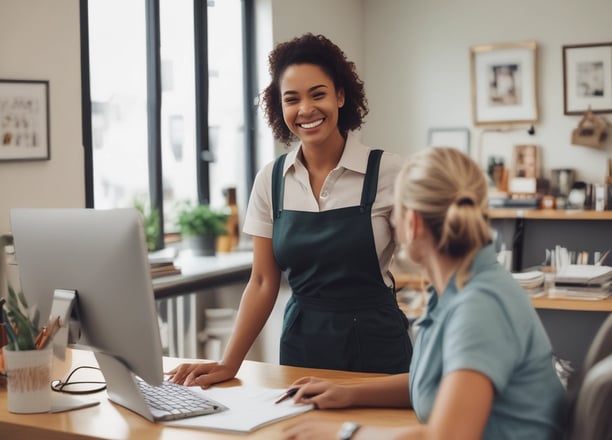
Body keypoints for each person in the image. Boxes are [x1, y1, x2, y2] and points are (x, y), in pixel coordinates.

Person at [168, 33, 412, 387]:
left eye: (318, 94)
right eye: (292, 99)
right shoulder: (271, 180)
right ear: (279, 108)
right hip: (302, 346)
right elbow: (263, 281)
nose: (306, 109)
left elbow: (433, 258)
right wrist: (228, 364)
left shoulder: (389, 172)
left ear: (340, 96)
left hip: (376, 349)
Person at [282, 147, 568, 440]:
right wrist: (348, 392)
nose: (393, 221)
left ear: (413, 222)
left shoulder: (479, 306)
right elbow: (438, 385)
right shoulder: (456, 287)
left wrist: (344, 434)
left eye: (397, 212)